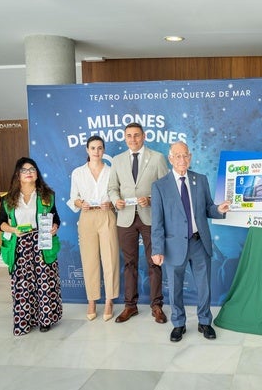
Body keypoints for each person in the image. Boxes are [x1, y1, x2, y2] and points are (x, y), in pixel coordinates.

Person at [151, 141, 230, 342]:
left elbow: (208, 208)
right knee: (175, 288)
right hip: (173, 246)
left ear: (190, 157)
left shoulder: (200, 180)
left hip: (199, 242)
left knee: (204, 286)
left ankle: (205, 322)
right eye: (177, 156)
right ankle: (178, 324)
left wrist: (219, 210)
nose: (182, 159)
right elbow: (157, 222)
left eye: (185, 155)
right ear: (170, 159)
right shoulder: (160, 186)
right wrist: (157, 249)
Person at [108, 122, 169, 323]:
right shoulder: (117, 160)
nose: (132, 139)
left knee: (155, 262)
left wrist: (150, 199)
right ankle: (130, 306)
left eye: (136, 135)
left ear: (144, 136)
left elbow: (166, 189)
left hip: (150, 217)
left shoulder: (157, 158)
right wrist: (116, 199)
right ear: (124, 138)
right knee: (129, 263)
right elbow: (112, 188)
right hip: (125, 218)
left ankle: (156, 306)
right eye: (128, 136)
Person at [0, 157, 62, 335]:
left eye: (32, 169)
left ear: (37, 174)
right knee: (23, 285)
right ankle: (24, 320)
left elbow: (55, 219)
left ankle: (45, 319)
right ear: (18, 174)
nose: (29, 173)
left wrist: (55, 227)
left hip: (42, 243)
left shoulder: (47, 195)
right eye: (25, 170)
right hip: (20, 245)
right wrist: (12, 229)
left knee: (45, 282)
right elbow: (0, 223)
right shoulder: (7, 198)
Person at [67, 135, 119, 321]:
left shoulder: (112, 171)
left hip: (106, 215)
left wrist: (111, 204)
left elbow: (117, 195)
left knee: (110, 259)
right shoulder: (78, 173)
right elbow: (73, 197)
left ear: (103, 150)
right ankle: (92, 300)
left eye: (99, 148)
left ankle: (109, 301)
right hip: (87, 217)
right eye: (93, 148)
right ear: (87, 150)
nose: (96, 151)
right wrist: (81, 203)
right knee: (89, 260)